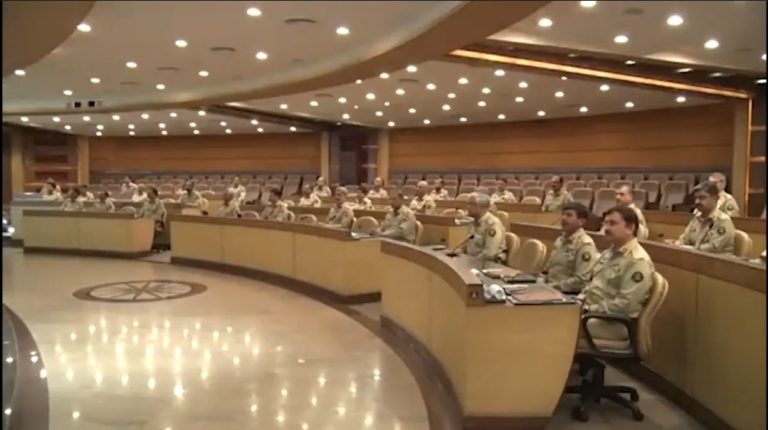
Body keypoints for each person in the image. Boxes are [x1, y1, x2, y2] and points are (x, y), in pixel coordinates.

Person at [577, 206, 654, 341]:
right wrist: (578, 301)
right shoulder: (608, 253)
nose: (606, 228)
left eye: (612, 223)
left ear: (630, 228)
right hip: (592, 314)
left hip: (613, 323)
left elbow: (624, 305)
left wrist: (589, 308)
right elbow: (591, 285)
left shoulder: (637, 261)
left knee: (560, 325)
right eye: (605, 223)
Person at [543, 202, 599, 294]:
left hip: (565, 293)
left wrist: (551, 287)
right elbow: (548, 269)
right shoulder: (560, 240)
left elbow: (580, 282)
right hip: (549, 288)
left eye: (569, 215)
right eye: (563, 214)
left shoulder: (585, 244)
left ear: (581, 221)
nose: (564, 218)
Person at [667, 181, 735, 254]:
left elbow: (711, 249)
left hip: (716, 260)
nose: (697, 202)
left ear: (715, 198)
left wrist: (682, 247)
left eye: (702, 198)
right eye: (696, 198)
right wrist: (675, 244)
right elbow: (684, 239)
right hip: (695, 258)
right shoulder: (696, 218)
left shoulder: (723, 221)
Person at [462, 193, 506, 262]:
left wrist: (471, 262)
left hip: (489, 263)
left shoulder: (492, 224)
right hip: (472, 260)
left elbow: (489, 253)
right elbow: (467, 246)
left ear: (483, 207)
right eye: (468, 204)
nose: (468, 207)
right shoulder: (472, 221)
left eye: (472, 204)